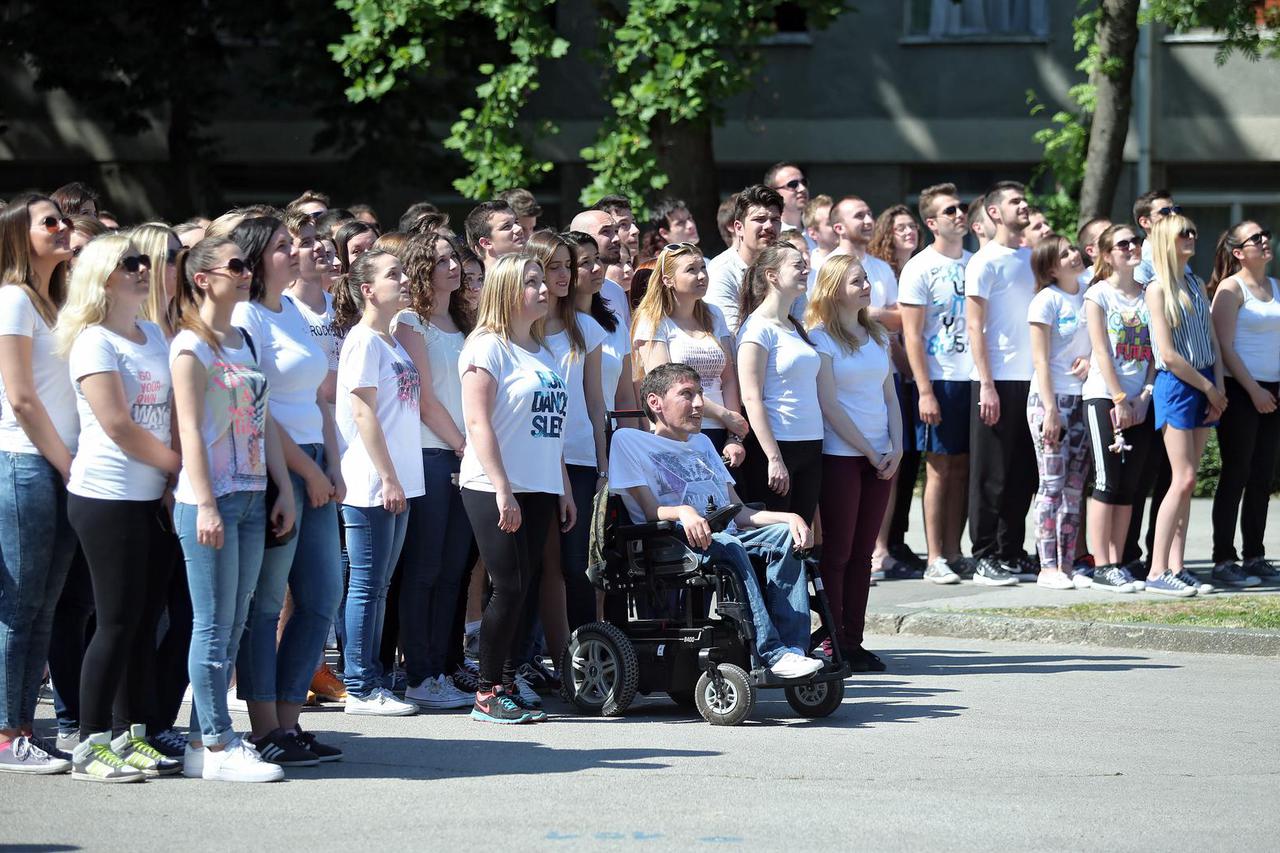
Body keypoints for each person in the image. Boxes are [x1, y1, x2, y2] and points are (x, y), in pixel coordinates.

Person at [55, 235, 182, 781]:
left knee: (143, 620)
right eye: (130, 262)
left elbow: (171, 407)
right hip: (107, 497)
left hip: (152, 494)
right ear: (103, 276)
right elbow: (118, 425)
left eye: (144, 262)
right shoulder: (93, 342)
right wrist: (183, 467)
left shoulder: (152, 333)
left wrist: (171, 476)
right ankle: (89, 742)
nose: (142, 269)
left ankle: (133, 734)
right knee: (114, 622)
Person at [170, 236, 294, 783]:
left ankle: (205, 739)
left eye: (248, 264)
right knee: (214, 624)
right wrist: (204, 503)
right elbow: (189, 432)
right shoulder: (189, 346)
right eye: (236, 265)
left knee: (238, 620)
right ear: (202, 278)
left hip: (249, 494)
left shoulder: (241, 339)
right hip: (211, 498)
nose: (247, 273)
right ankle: (218, 742)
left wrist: (283, 487)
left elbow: (262, 421)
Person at [609, 362, 823, 680]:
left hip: (723, 535)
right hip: (673, 541)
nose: (699, 404)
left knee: (783, 536)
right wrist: (683, 511)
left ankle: (793, 650)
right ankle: (771, 652)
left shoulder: (703, 444)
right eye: (687, 394)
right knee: (729, 543)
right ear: (655, 402)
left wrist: (790, 517)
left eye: (699, 394)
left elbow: (738, 511)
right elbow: (650, 510)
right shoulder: (629, 440)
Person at [228, 217, 345, 762]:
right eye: (282, 246)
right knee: (267, 602)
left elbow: (320, 397)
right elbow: (260, 405)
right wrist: (302, 472)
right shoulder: (245, 317)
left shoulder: (294, 313)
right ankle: (264, 726)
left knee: (321, 598)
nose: (295, 251)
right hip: (277, 470)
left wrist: (333, 464)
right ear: (256, 259)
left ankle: (290, 722)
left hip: (318, 463)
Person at [458, 253, 575, 724]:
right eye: (532, 282)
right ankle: (486, 692)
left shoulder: (542, 351)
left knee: (523, 587)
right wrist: (503, 488)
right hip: (493, 485)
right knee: (505, 586)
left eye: (543, 281)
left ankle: (506, 680)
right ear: (507, 290)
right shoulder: (486, 346)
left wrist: (562, 486)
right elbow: (476, 421)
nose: (544, 289)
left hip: (540, 485)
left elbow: (554, 429)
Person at [0, 195, 79, 775]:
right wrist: (68, 464)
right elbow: (22, 398)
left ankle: (23, 728)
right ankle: (6, 733)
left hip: (57, 464)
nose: (62, 227)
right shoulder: (11, 300)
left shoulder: (53, 304)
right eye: (48, 221)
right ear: (18, 235)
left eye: (63, 219)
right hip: (27, 462)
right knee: (19, 606)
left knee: (44, 607)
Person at [333, 250, 424, 716]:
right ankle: (360, 686)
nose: (405, 280)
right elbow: (361, 411)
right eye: (395, 275)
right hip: (371, 481)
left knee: (380, 585)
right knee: (367, 586)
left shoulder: (391, 342)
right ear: (368, 289)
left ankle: (373, 678)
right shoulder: (363, 341)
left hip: (399, 480)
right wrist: (388, 477)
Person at [391, 233, 476, 710]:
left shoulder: (463, 320)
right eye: (440, 260)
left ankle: (442, 667)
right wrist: (463, 446)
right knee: (423, 569)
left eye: (453, 259)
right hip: (432, 453)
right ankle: (418, 673)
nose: (453, 267)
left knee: (452, 570)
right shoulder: (411, 322)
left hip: (465, 455)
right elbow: (423, 399)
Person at [807, 255, 900, 671]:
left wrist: (897, 447)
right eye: (856, 281)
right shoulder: (821, 338)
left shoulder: (878, 335)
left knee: (864, 554)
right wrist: (868, 450)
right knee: (838, 553)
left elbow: (890, 397)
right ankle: (830, 638)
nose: (866, 286)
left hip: (881, 457)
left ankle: (854, 640)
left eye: (866, 279)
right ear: (833, 289)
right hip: (843, 456)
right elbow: (829, 405)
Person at [1144, 215, 1224, 596]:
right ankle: (1157, 570)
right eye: (1183, 233)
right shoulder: (1156, 289)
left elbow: (1212, 342)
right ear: (1165, 240)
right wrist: (1209, 388)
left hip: (1206, 380)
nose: (1192, 237)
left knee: (1187, 483)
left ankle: (1177, 567)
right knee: (1184, 477)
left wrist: (1218, 388)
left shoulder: (1194, 282)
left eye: (1194, 230)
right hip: (1178, 385)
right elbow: (1169, 355)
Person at [898, 184, 973, 584]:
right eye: (950, 210)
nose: (960, 214)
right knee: (939, 469)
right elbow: (911, 335)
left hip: (971, 378)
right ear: (932, 222)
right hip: (938, 378)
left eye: (962, 208)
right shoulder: (919, 267)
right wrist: (925, 390)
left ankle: (956, 550)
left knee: (963, 466)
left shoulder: (976, 262)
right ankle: (935, 557)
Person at [964, 181, 1037, 586]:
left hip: (1031, 380)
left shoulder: (1030, 257)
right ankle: (984, 554)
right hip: (995, 379)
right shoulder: (984, 261)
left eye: (1024, 200)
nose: (1023, 206)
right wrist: (987, 385)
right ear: (994, 213)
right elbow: (975, 326)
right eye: (1014, 202)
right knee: (990, 473)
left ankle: (1011, 551)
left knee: (1023, 473)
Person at [1082, 224, 1155, 593]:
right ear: (1107, 254)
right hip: (1104, 397)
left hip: (1140, 400)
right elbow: (1101, 351)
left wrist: (1144, 394)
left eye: (1135, 242)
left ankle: (1119, 561)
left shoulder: (1148, 294)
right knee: (1107, 480)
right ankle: (1102, 564)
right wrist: (1119, 399)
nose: (1132, 247)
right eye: (1123, 244)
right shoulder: (1099, 295)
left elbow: (1156, 353)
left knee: (1130, 484)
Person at [630, 242, 748, 464]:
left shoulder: (714, 315)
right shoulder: (652, 321)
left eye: (703, 268)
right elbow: (666, 386)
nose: (701, 275)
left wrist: (734, 436)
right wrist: (725, 415)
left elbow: (729, 378)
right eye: (691, 270)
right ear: (668, 280)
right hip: (678, 434)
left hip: (722, 434)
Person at [1208, 222, 1280, 585]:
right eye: (1256, 238)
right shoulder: (1230, 288)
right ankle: (1223, 558)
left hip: (1273, 390)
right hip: (1241, 390)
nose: (1265, 240)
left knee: (1262, 475)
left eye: (1265, 234)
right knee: (1236, 472)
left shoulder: (1276, 287)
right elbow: (1224, 346)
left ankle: (1254, 554)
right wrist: (1253, 390)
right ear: (1238, 252)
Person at [737, 242, 823, 523]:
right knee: (778, 541)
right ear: (772, 276)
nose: (805, 270)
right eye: (797, 265)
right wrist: (773, 457)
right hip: (776, 446)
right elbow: (751, 398)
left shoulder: (793, 325)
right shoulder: (756, 328)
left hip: (810, 443)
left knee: (803, 539)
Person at [1025, 235, 1093, 590]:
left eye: (1073, 249)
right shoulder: (1045, 301)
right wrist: (1051, 409)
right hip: (1050, 400)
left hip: (1084, 398)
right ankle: (1047, 566)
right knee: (1051, 486)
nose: (1074, 255)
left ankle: (1067, 564)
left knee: (1074, 487)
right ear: (1051, 267)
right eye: (1064, 253)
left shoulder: (1090, 293)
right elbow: (1040, 359)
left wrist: (1092, 359)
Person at [705, 185, 783, 334]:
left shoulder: (787, 267)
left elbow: (802, 324)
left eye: (775, 220)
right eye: (759, 219)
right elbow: (731, 334)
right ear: (738, 228)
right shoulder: (722, 271)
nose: (769, 226)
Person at [569, 209, 630, 330]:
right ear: (580, 237)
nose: (617, 238)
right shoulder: (562, 294)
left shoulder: (616, 291)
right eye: (606, 232)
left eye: (616, 231)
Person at [465, 201, 526, 271]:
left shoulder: (534, 276)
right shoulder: (473, 281)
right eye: (506, 226)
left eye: (516, 222)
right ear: (486, 243)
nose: (519, 228)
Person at [764, 162, 810, 232]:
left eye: (804, 182)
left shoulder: (817, 235)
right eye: (793, 184)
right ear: (774, 192)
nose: (802, 188)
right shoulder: (770, 235)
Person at [803, 195, 839, 284]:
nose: (838, 226)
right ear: (813, 233)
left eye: (838, 220)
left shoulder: (857, 259)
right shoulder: (808, 270)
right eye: (830, 223)